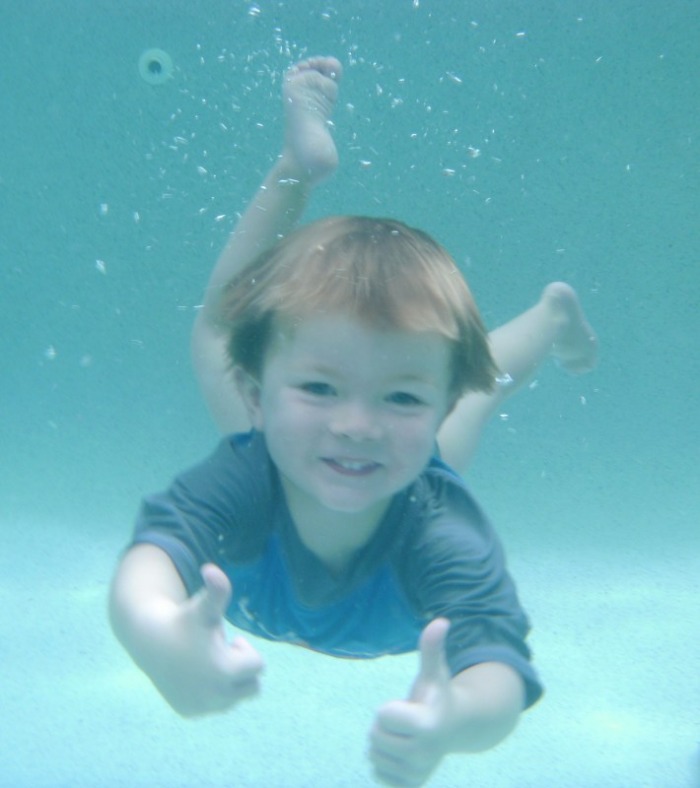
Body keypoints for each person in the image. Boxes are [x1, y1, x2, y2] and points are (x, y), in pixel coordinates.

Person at [109, 57, 597, 787]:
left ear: (431, 406)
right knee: (220, 330)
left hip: (409, 469)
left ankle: (553, 314)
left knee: (482, 387)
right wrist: (157, 637)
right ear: (257, 395)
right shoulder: (246, 472)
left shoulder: (439, 529)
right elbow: (147, 565)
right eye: (318, 387)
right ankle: (294, 165)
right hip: (283, 445)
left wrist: (453, 721)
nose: (357, 426)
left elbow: (497, 672)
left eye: (403, 399)